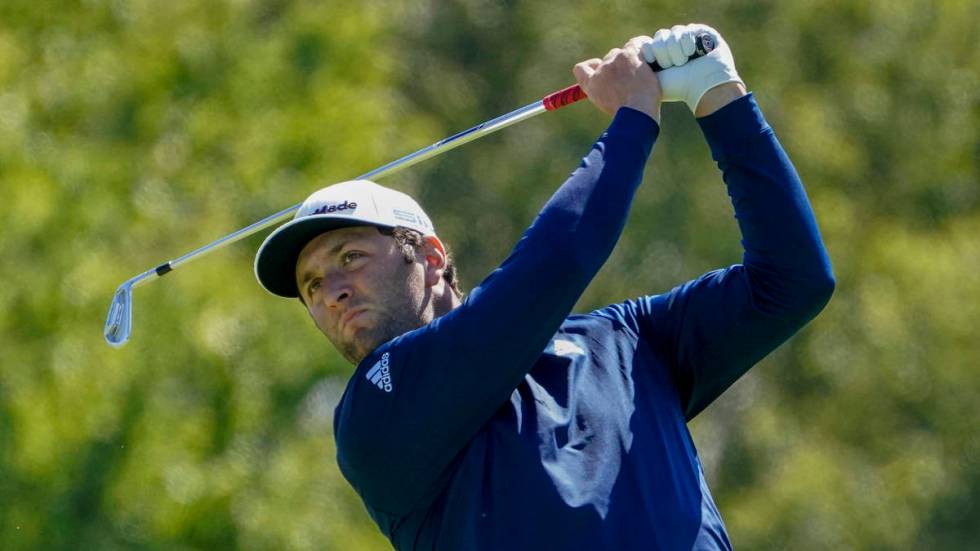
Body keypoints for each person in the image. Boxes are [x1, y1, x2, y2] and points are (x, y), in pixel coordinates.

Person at [254, 23, 834, 551]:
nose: (332, 291)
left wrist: (718, 95)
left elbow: (792, 281)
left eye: (350, 257)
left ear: (429, 257)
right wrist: (633, 119)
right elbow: (555, 265)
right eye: (311, 285)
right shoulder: (376, 415)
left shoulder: (623, 341)